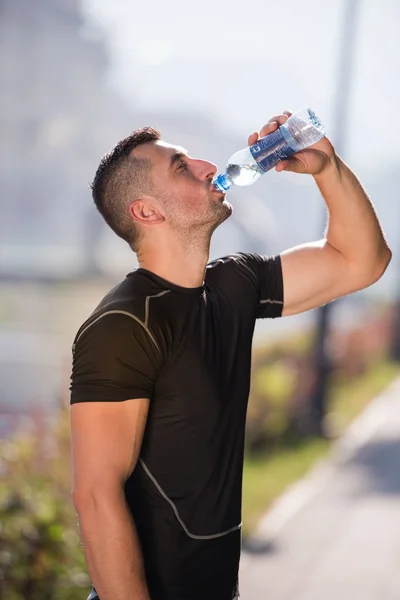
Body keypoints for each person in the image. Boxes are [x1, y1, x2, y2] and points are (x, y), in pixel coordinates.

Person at [69, 111, 391, 600]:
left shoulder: (234, 284)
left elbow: (363, 261)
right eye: (180, 166)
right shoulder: (123, 324)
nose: (205, 165)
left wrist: (328, 167)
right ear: (147, 212)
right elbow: (96, 496)